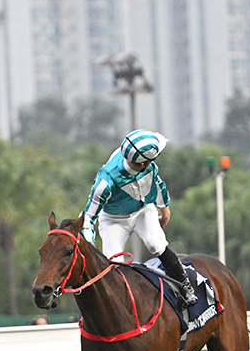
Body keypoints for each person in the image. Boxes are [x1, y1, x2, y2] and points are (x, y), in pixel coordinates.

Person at [81, 129, 198, 306]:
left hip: (143, 210)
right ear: (144, 163)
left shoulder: (148, 166)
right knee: (114, 263)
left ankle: (185, 287)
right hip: (113, 219)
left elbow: (158, 184)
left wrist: (164, 210)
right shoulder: (105, 182)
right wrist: (90, 242)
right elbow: (87, 217)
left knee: (155, 243)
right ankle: (119, 304)